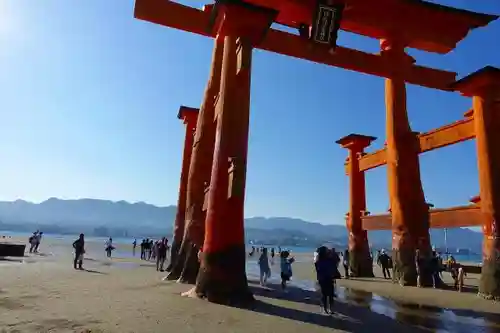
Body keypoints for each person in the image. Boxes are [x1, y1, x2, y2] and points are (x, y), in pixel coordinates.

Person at [315, 246, 335, 314]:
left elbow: (318, 270)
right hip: (328, 278)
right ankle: (330, 309)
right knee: (330, 294)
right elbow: (332, 268)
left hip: (322, 279)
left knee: (324, 295)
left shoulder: (318, 261)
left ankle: (325, 308)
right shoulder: (329, 260)